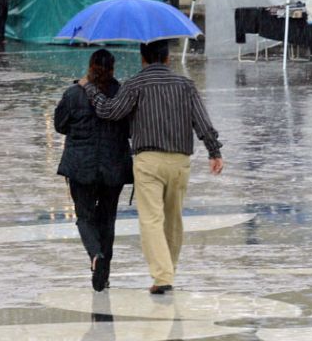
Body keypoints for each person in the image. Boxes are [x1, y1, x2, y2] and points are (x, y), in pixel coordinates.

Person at [78, 40, 223, 294]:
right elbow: (201, 120)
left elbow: (110, 111)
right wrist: (214, 151)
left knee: (151, 220)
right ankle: (168, 272)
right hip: (180, 161)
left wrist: (90, 89)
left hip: (148, 162)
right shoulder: (185, 85)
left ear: (142, 58)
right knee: (173, 219)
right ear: (167, 58)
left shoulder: (135, 85)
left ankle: (162, 275)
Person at [55, 50, 133, 292]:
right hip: (113, 167)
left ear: (90, 67)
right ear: (113, 68)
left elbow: (60, 125)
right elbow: (130, 129)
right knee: (107, 220)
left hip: (81, 167)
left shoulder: (73, 94)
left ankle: (95, 255)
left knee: (85, 217)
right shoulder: (122, 94)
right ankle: (104, 274)